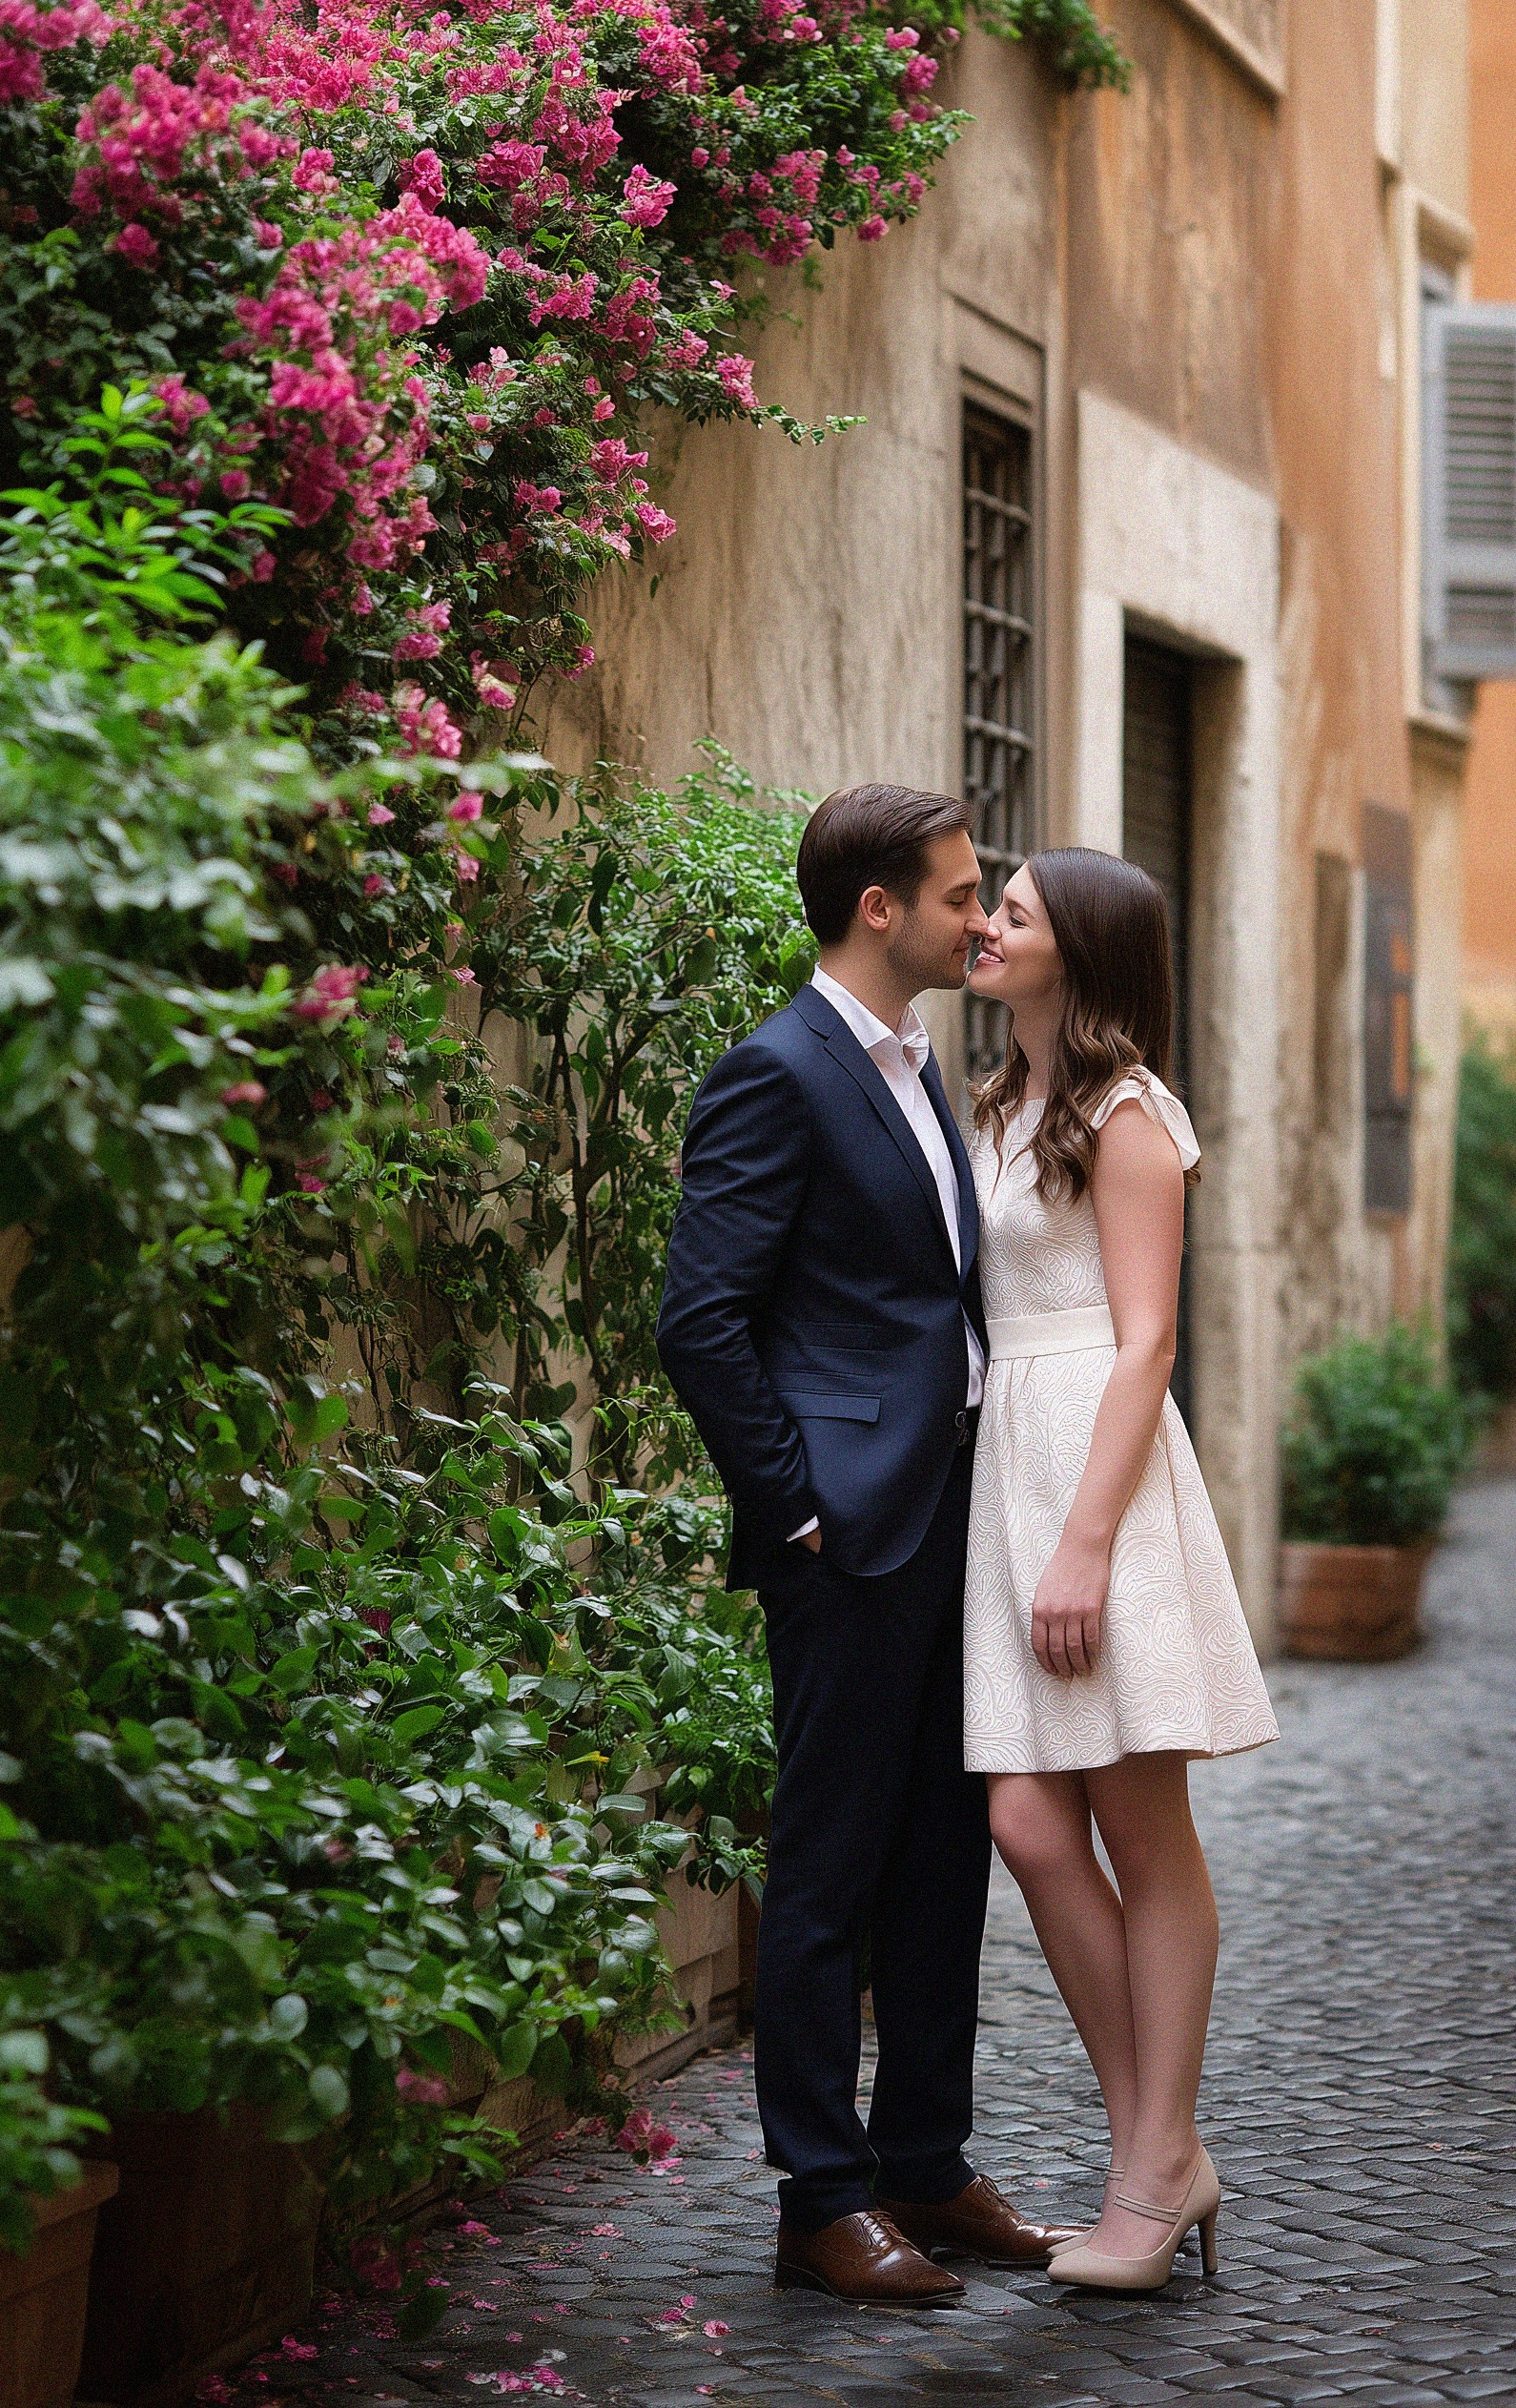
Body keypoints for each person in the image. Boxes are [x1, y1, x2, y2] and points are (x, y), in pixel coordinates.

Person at [657, 785, 1083, 2307]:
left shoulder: (923, 1068)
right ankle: (819, 2198)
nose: (985, 918)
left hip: (954, 1516)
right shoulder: (776, 1072)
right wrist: (797, 1505)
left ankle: (924, 2160)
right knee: (829, 1866)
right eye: (964, 895)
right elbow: (700, 1320)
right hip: (848, 1534)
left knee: (939, 1857)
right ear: (879, 908)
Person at [962, 846, 1279, 2293]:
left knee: (1144, 1832)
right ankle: (1159, 2144)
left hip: (1101, 1477)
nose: (985, 924)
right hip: (1008, 1475)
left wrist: (1086, 1538)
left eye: (1011, 913)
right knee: (1030, 1824)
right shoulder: (995, 1099)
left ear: (1075, 953)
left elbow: (1146, 1339)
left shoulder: (1130, 1113)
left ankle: (1152, 2172)